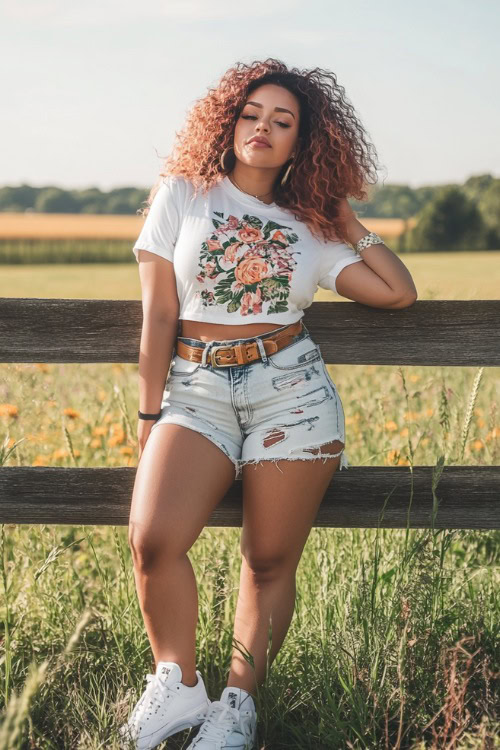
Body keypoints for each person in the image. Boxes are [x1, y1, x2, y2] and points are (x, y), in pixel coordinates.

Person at [118, 58, 417, 750]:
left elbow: (397, 293)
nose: (262, 128)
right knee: (154, 540)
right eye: (252, 114)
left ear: (301, 143)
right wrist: (147, 411)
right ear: (229, 121)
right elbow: (159, 314)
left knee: (268, 560)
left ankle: (235, 707)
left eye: (282, 122)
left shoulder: (311, 226)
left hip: (291, 395)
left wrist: (345, 219)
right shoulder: (184, 193)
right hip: (195, 390)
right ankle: (178, 682)